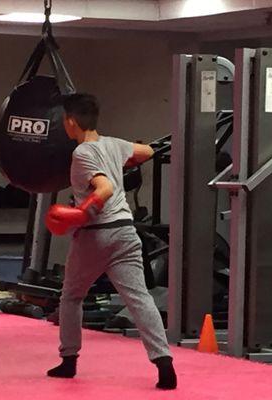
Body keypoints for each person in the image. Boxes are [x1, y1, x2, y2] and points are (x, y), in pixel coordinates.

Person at [44, 93, 177, 390]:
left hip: (96, 235)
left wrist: (81, 213)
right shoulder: (114, 144)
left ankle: (69, 361)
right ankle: (164, 361)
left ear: (70, 122)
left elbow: (104, 187)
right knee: (139, 298)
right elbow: (147, 151)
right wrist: (126, 158)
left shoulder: (81, 153)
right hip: (126, 233)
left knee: (71, 296)